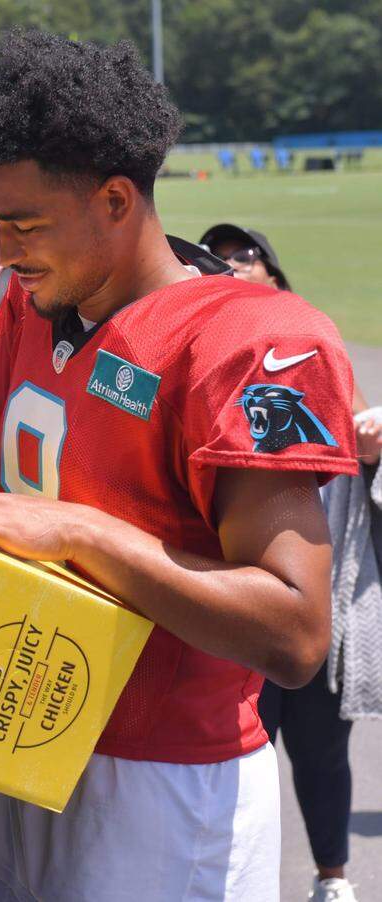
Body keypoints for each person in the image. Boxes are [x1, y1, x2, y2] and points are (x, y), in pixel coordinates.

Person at [0, 29, 358, 902]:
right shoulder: (37, 306)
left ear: (116, 199)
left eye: (25, 224)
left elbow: (295, 632)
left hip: (165, 785)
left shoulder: (242, 338)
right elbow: (4, 487)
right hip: (24, 736)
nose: (5, 250)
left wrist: (77, 531)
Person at [202, 224, 381, 902]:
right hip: (232, 600)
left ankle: (333, 879)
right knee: (240, 752)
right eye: (216, 258)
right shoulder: (206, 349)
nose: (230, 266)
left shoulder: (309, 340)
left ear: (275, 275)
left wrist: (369, 445)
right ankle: (236, 880)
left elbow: (358, 442)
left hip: (311, 595)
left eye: (245, 255)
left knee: (320, 750)